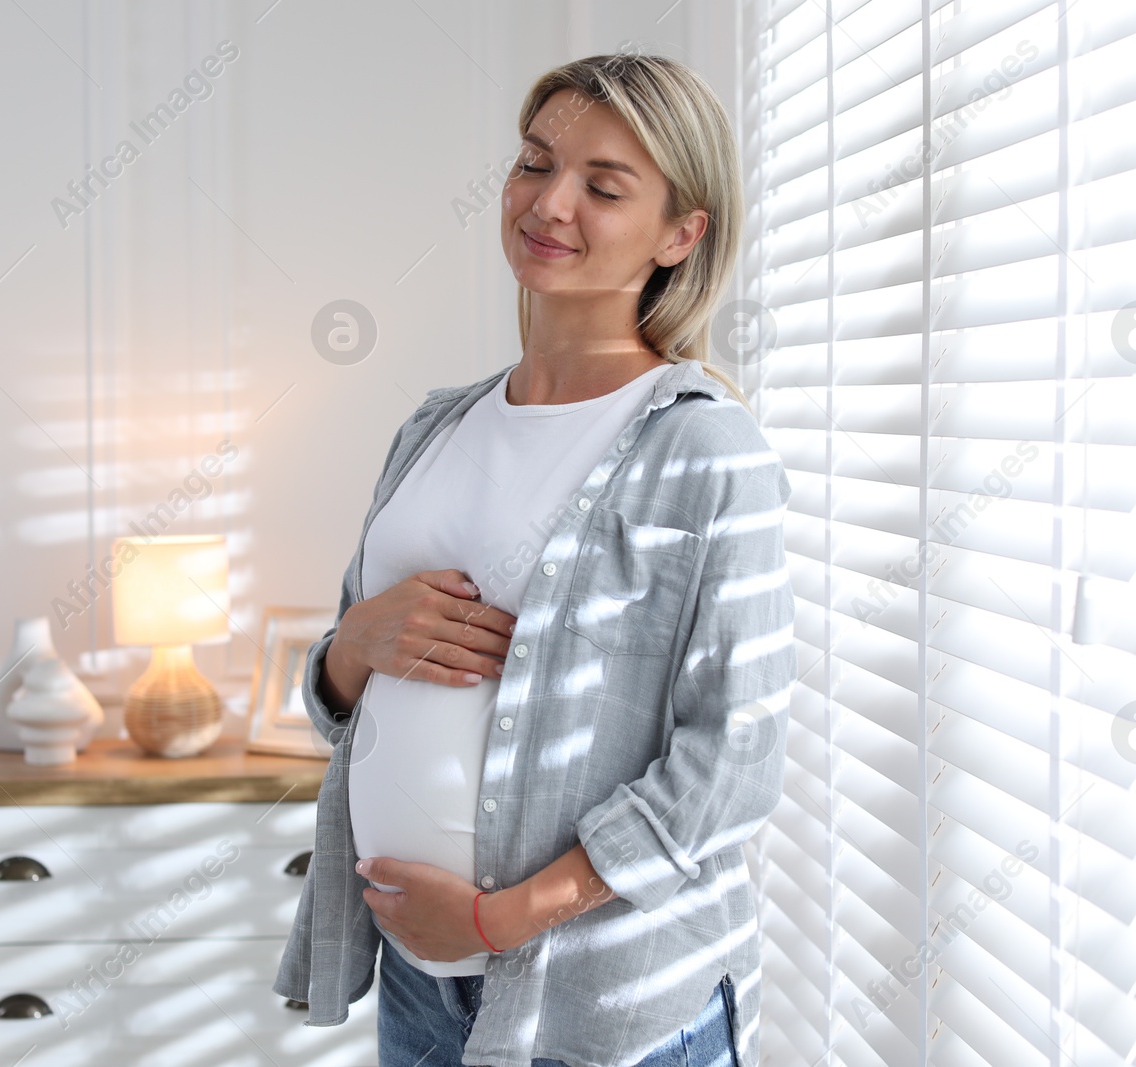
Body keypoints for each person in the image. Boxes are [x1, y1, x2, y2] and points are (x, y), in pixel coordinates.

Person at [273, 52, 796, 1067]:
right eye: (533, 163)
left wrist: (501, 917)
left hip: (598, 995)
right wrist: (353, 644)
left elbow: (734, 756)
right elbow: (338, 696)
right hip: (422, 981)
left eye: (603, 187)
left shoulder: (703, 446)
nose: (549, 203)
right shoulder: (435, 426)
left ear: (681, 233)